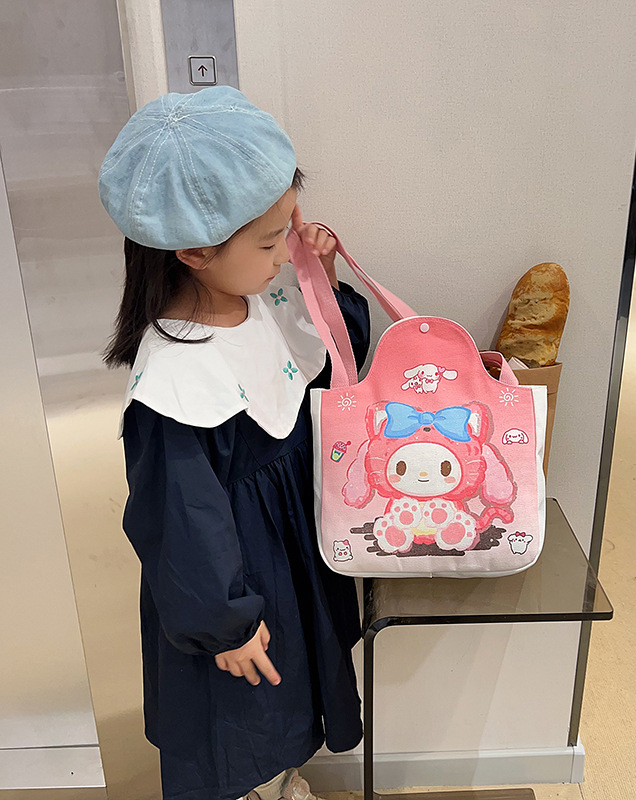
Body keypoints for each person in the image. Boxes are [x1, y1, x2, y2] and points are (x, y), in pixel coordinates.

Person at [98, 86, 370, 800]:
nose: (286, 253)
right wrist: (225, 624)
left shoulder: (261, 299)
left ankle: (282, 783)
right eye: (272, 241)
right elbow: (181, 522)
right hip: (236, 583)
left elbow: (333, 366)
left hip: (286, 558)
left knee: (289, 699)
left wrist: (319, 278)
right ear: (194, 250)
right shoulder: (176, 380)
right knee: (242, 717)